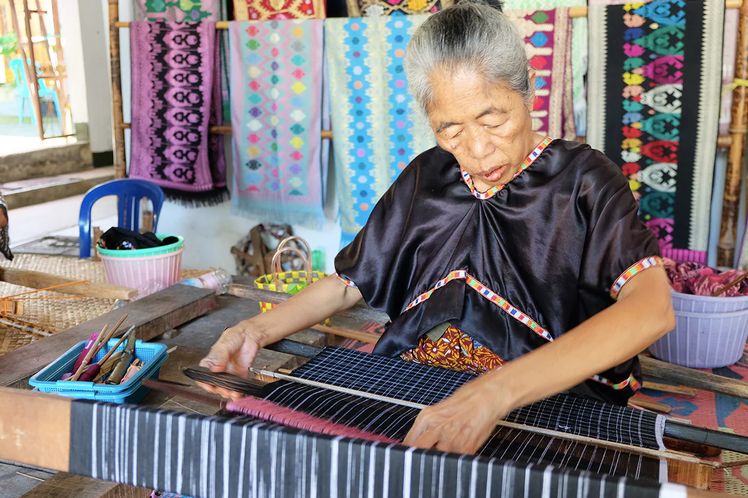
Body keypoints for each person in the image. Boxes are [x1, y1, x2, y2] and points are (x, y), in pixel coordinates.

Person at [199, 2, 674, 455]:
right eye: (451, 130)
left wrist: (494, 393)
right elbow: (350, 284)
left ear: (529, 89)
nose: (478, 148)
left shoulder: (586, 180)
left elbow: (651, 310)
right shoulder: (428, 177)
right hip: (412, 388)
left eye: (494, 119)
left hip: (546, 404)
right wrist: (255, 329)